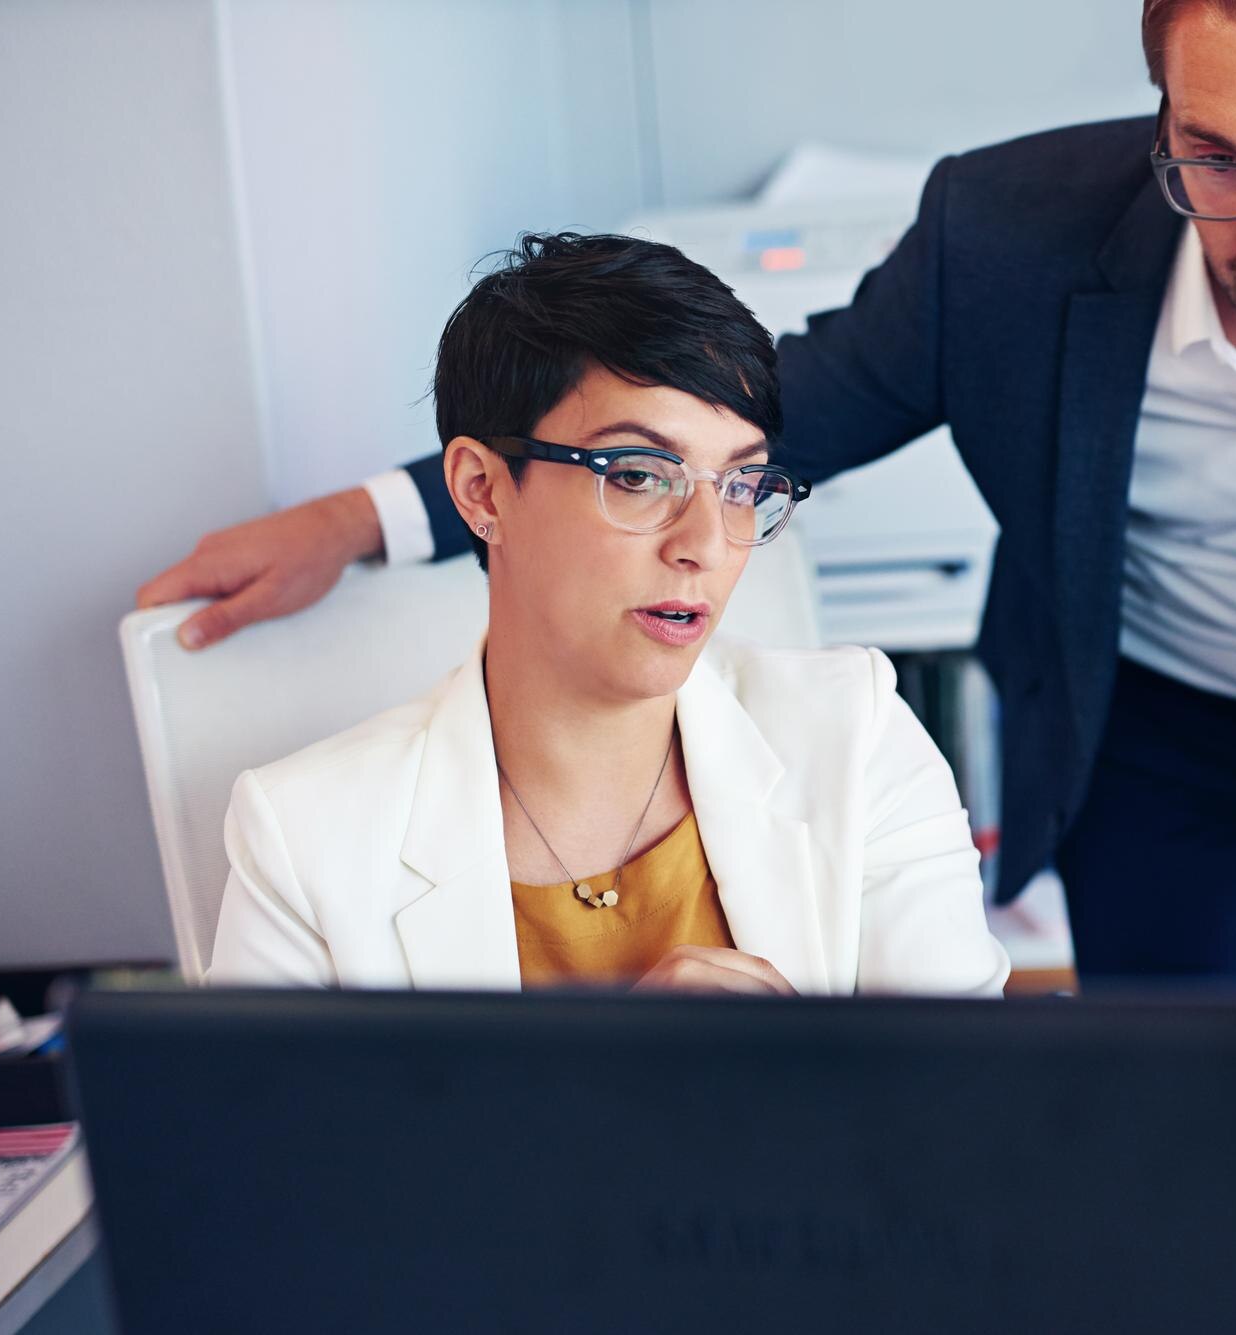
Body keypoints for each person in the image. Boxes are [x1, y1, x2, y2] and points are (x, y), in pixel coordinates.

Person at [147, 0, 1236, 985]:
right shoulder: (1008, 231)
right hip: (1151, 728)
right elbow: (771, 413)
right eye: (1215, 157)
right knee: (1178, 1122)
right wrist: (366, 516)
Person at [207, 233, 1010, 997]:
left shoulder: (854, 733)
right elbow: (273, 1144)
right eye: (637, 474)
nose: (704, 544)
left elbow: (980, 1107)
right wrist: (610, 1090)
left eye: (740, 486)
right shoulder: (304, 837)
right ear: (482, 491)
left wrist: (794, 1064)